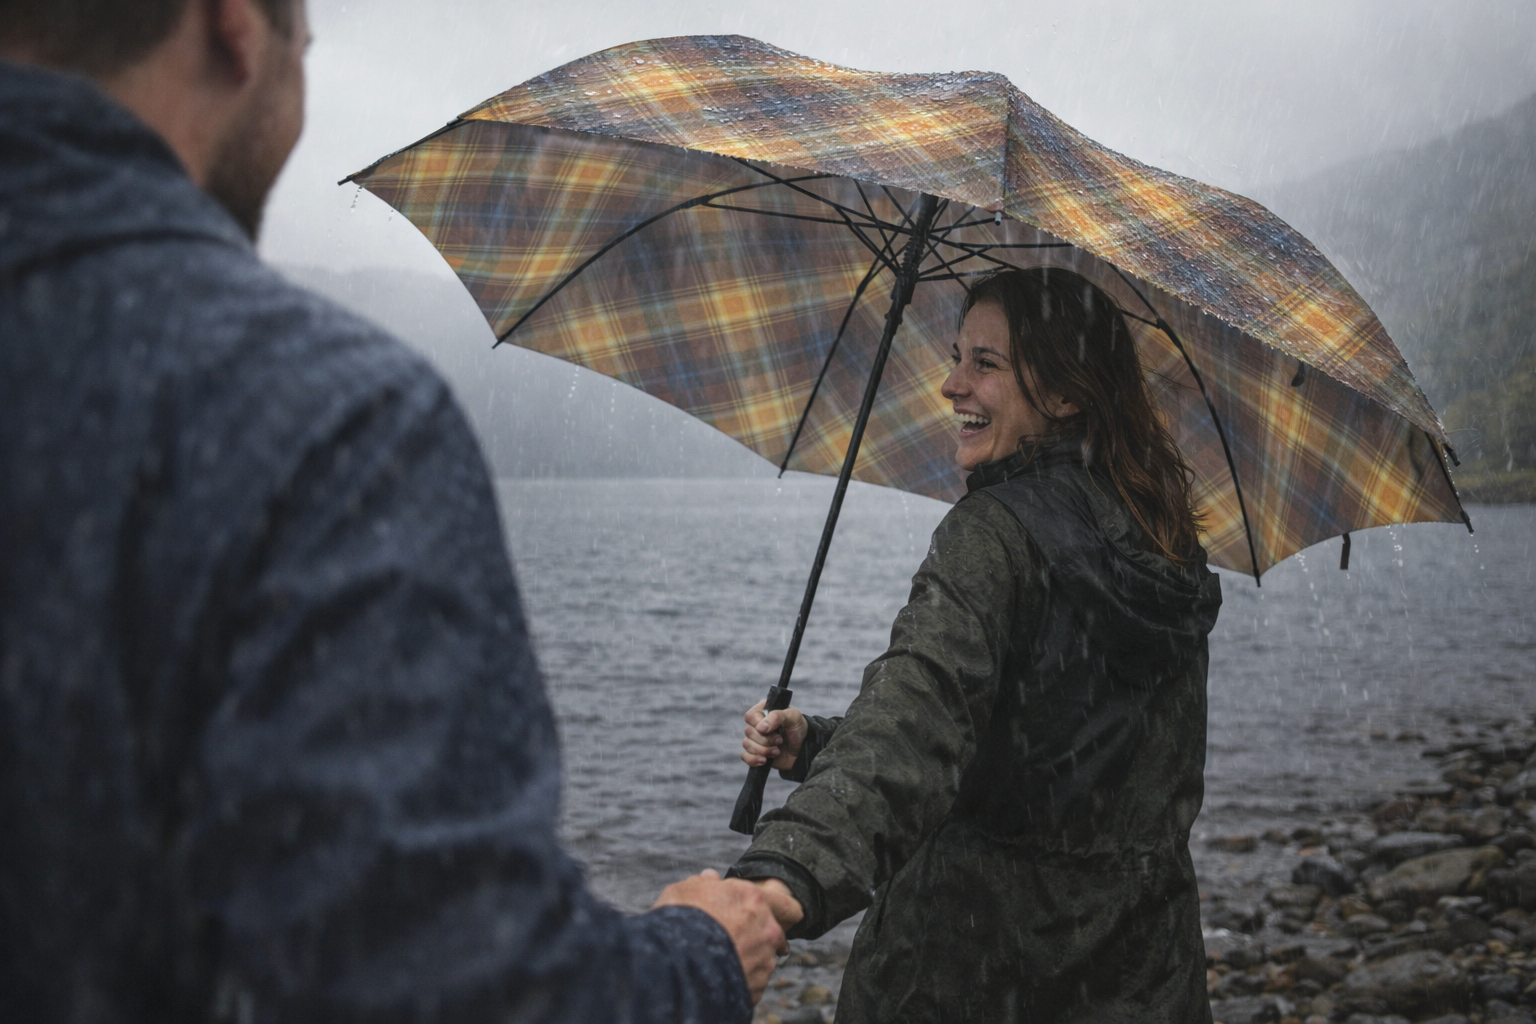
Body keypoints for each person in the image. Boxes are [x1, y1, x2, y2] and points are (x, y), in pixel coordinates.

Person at [0, 1, 792, 1020]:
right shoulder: (314, 418)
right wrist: (699, 953)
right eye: (309, 49)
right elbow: (462, 990)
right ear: (236, 27)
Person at [729, 267, 1225, 1022]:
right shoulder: (1164, 545)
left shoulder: (995, 535)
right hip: (1139, 979)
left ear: (1062, 395)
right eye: (956, 355)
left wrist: (775, 882)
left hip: (973, 975)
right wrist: (821, 746)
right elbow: (1052, 759)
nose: (950, 385)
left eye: (984, 364)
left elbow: (914, 733)